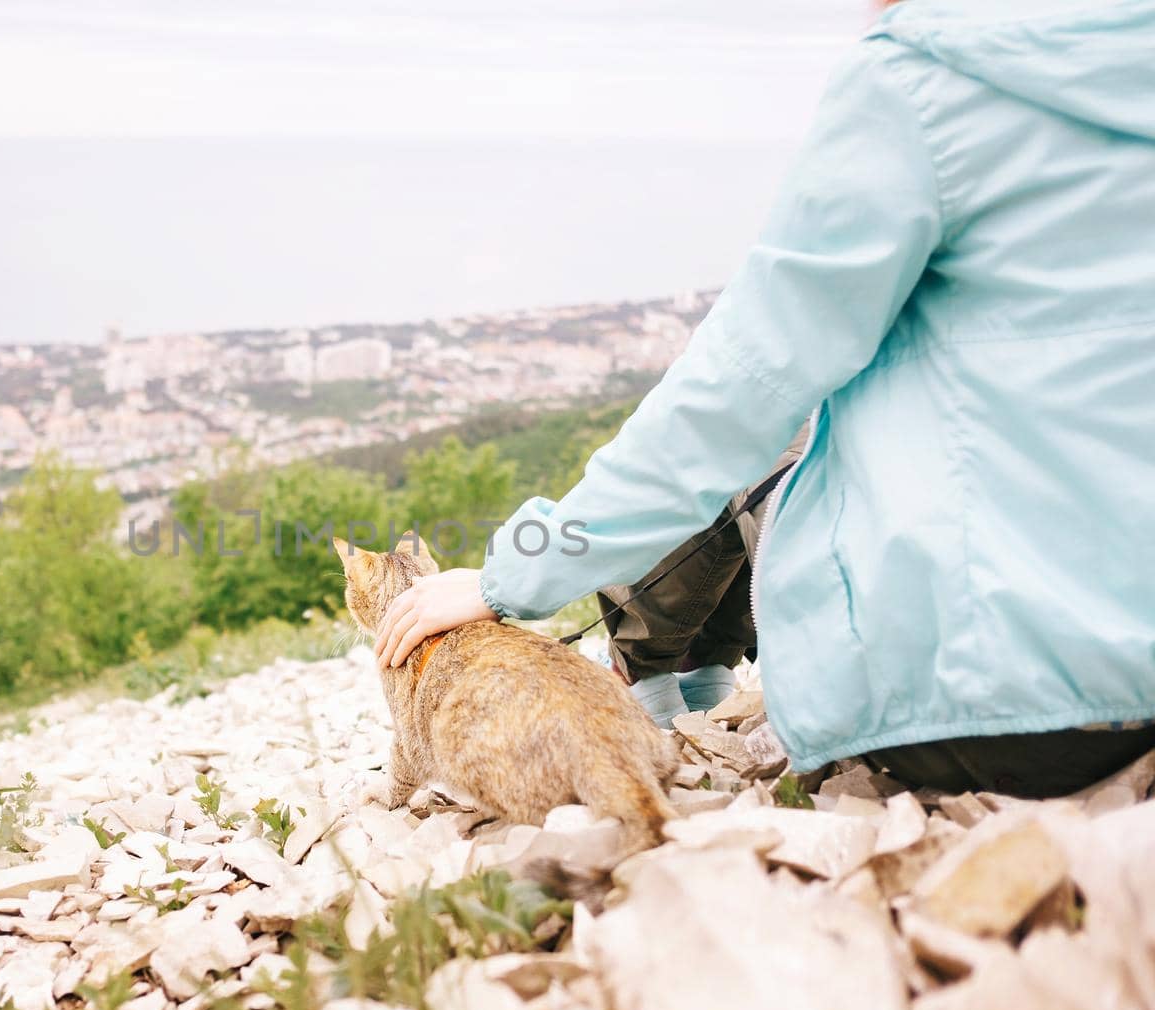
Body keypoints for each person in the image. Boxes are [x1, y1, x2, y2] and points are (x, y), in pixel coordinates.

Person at [374, 0, 1155, 798]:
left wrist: (507, 575)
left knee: (772, 451)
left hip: (994, 717)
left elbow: (736, 389)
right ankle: (700, 685)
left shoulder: (926, 78)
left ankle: (654, 676)